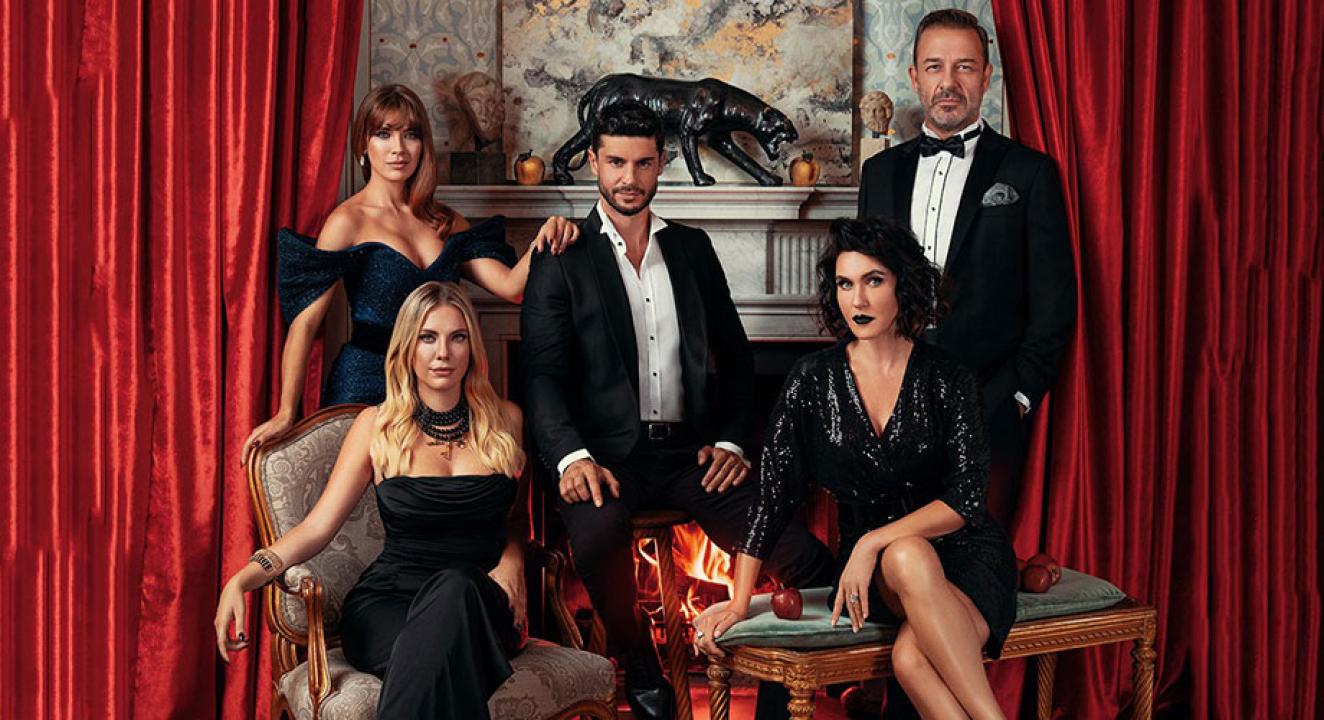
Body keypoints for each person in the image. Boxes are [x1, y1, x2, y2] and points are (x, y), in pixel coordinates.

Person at [520, 100, 833, 720]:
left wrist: (733, 441)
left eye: (642, 163)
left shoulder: (692, 248)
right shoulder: (561, 255)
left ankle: (778, 692)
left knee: (805, 557)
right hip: (606, 458)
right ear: (593, 162)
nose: (628, 178)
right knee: (597, 536)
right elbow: (542, 376)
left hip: (692, 455)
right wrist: (571, 458)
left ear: (662, 162)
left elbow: (737, 359)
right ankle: (639, 659)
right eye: (615, 162)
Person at [694, 218, 1019, 720]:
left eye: (874, 281)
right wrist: (739, 602)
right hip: (879, 579)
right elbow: (772, 497)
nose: (858, 300)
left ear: (903, 286)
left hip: (967, 559)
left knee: (910, 659)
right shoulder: (810, 380)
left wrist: (871, 542)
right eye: (845, 284)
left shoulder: (949, 378)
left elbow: (965, 501)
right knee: (905, 555)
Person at [217, 281, 530, 719]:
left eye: (457, 337)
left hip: (479, 602)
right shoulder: (377, 425)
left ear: (472, 348)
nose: (443, 353)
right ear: (407, 348)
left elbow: (515, 520)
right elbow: (317, 527)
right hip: (388, 604)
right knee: (438, 658)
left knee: (457, 586)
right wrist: (244, 578)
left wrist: (512, 561)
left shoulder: (506, 420)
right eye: (427, 337)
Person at [241, 83, 579, 466]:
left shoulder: (444, 220)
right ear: (363, 145)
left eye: (411, 135)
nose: (398, 148)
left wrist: (547, 235)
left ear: (423, 146)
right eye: (384, 134)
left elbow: (510, 288)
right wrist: (287, 411)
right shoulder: (348, 221)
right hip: (368, 383)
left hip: (438, 383)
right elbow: (305, 324)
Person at [857, 9, 1076, 526]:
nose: (949, 82)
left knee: (975, 557)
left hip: (988, 404)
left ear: (986, 75)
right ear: (915, 76)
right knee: (894, 553)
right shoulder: (879, 172)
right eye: (935, 67)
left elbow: (1054, 302)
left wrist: (1017, 398)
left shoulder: (1029, 172)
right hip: (889, 407)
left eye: (965, 67)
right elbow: (860, 288)